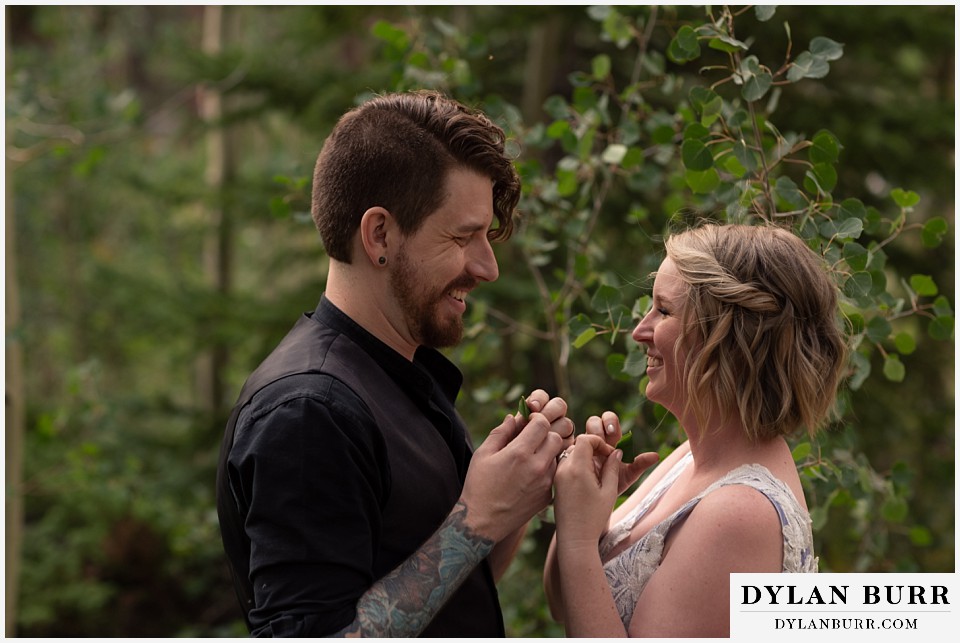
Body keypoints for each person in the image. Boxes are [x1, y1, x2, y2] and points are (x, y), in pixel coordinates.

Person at [216, 90, 575, 637]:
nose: (488, 267)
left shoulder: (402, 374)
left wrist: (517, 495)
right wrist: (474, 521)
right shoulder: (309, 413)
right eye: (463, 236)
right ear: (379, 234)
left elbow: (450, 594)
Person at [544, 223, 848, 637]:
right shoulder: (690, 457)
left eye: (664, 311)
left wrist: (579, 541)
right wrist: (584, 513)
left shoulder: (741, 514)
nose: (639, 331)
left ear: (728, 337)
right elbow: (565, 602)